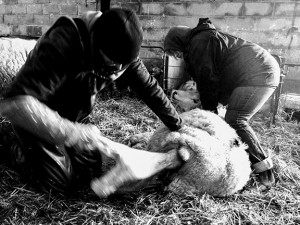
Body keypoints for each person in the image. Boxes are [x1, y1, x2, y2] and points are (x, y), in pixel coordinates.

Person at [0, 8, 184, 197]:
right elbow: (16, 103)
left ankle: (59, 148)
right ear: (95, 44)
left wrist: (179, 127)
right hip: (36, 116)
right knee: (57, 182)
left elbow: (150, 88)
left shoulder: (122, 54)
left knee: (90, 172)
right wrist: (70, 132)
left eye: (123, 66)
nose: (116, 71)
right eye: (111, 64)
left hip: (72, 119)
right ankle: (11, 143)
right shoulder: (64, 41)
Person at [164, 18, 280, 187]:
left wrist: (209, 115)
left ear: (178, 42)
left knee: (236, 120)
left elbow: (207, 80)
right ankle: (244, 161)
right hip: (256, 71)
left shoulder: (200, 42)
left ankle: (265, 172)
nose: (176, 56)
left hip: (258, 73)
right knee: (232, 120)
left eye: (174, 52)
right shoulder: (200, 41)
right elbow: (213, 79)